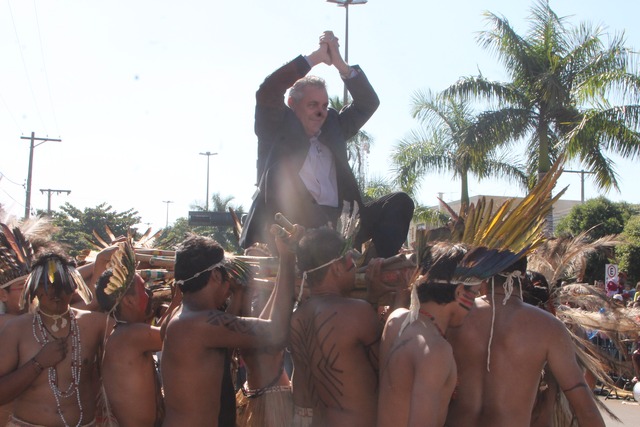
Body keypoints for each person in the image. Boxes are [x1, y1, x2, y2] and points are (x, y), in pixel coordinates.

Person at [240, 30, 414, 258]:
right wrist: (316, 57)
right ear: (292, 104)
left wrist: (341, 65)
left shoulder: (333, 127)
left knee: (400, 202)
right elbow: (269, 90)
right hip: (295, 226)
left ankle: (369, 265)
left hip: (341, 226)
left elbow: (367, 103)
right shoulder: (276, 127)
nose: (320, 112)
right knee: (303, 213)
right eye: (313, 105)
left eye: (324, 105)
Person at [445, 257, 606, 427]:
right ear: (522, 276)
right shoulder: (548, 326)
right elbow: (585, 408)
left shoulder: (454, 315)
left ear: (484, 274)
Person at [160, 228, 297, 427]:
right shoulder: (199, 324)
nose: (230, 284)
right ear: (216, 275)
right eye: (228, 276)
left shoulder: (183, 317)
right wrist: (287, 258)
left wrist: (242, 294)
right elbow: (276, 332)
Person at [289, 227, 397, 427]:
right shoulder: (358, 312)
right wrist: (395, 301)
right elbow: (389, 368)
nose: (355, 268)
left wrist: (372, 299)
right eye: (351, 262)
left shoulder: (297, 317)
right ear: (337, 268)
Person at [0, 246, 114, 427]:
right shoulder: (16, 329)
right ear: (36, 289)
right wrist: (38, 363)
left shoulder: (96, 324)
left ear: (74, 287)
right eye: (48, 285)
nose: (56, 293)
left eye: (63, 285)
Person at [377, 242, 480, 427]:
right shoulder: (435, 349)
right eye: (474, 293)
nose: (474, 303)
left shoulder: (396, 321)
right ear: (459, 292)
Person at [95, 241, 176, 427]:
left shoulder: (123, 332)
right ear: (129, 301)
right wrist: (186, 298)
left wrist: (175, 303)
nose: (149, 294)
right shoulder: (131, 334)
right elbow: (174, 336)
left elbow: (161, 333)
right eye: (143, 290)